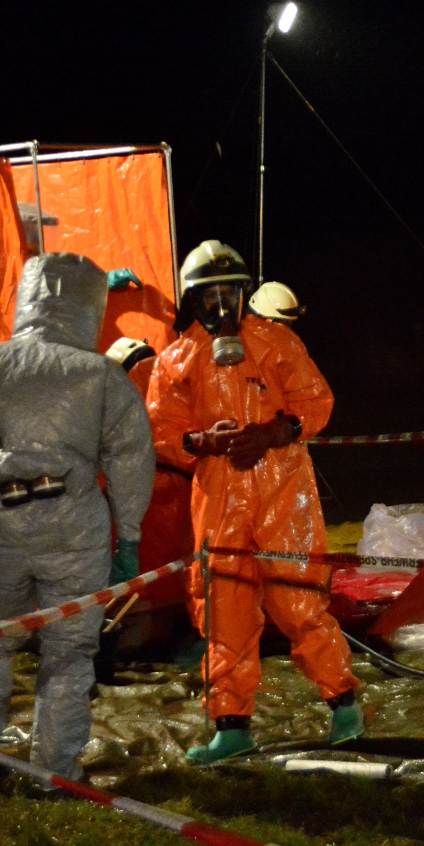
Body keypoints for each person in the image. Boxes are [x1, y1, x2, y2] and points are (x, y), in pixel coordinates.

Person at [0, 252, 155, 787]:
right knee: (69, 651)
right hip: (73, 528)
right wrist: (128, 538)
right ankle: (54, 771)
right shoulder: (102, 375)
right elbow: (130, 460)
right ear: (91, 308)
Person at [145, 240, 361, 764]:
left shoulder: (277, 344)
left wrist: (272, 434)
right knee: (224, 612)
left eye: (231, 292)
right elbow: (163, 431)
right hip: (219, 499)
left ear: (244, 294)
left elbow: (316, 403)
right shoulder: (176, 361)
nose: (222, 306)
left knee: (300, 601)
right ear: (190, 300)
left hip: (282, 492)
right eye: (210, 294)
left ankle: (344, 704)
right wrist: (204, 442)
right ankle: (231, 724)